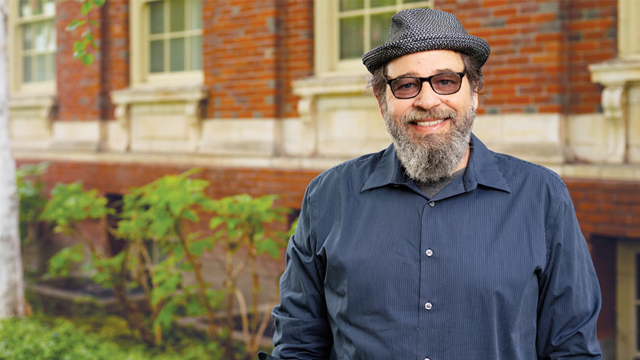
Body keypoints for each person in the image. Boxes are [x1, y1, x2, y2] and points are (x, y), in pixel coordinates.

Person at [259, 8, 602, 360]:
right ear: (382, 101)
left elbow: (571, 349)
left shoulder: (542, 196)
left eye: (446, 81)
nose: (427, 101)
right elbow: (299, 346)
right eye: (406, 85)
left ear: (475, 93)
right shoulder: (329, 196)